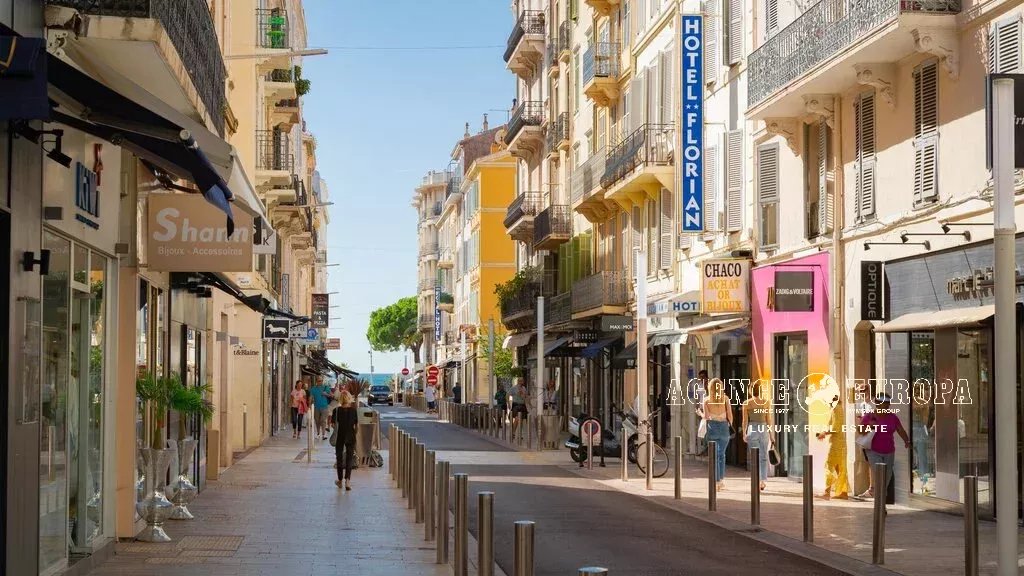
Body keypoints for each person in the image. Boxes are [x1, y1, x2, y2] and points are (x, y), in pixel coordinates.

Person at [858, 393, 909, 503]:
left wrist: (906, 440)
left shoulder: (893, 417)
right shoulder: (869, 416)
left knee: (887, 475)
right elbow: (860, 430)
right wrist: (870, 425)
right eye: (883, 403)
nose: (886, 405)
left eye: (887, 403)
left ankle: (880, 497)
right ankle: (880, 501)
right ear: (877, 403)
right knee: (879, 473)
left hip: (889, 450)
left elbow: (900, 429)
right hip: (873, 450)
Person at [815, 395, 849, 499]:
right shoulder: (837, 408)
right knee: (839, 467)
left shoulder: (835, 408)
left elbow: (836, 427)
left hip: (836, 443)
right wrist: (823, 432)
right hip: (840, 442)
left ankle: (827, 492)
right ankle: (843, 492)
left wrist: (824, 433)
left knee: (829, 465)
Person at [741, 381, 774, 491]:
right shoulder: (766, 402)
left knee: (754, 457)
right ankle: (763, 481)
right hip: (763, 429)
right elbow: (768, 419)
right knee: (763, 456)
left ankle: (755, 479)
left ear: (750, 391)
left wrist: (744, 433)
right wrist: (771, 435)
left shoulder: (746, 403)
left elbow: (745, 420)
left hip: (752, 429)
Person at [702, 378, 733, 491]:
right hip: (724, 427)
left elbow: (706, 417)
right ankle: (720, 481)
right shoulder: (725, 399)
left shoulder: (706, 400)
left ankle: (715, 481)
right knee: (721, 455)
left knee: (713, 456)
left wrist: (700, 413)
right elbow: (730, 416)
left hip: (712, 427)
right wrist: (728, 426)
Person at [333, 390, 359, 491]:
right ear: (349, 398)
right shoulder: (353, 410)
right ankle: (348, 481)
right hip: (351, 435)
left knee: (339, 458)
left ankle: (340, 480)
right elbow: (356, 425)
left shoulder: (337, 410)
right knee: (349, 458)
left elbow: (333, 425)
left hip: (340, 436)